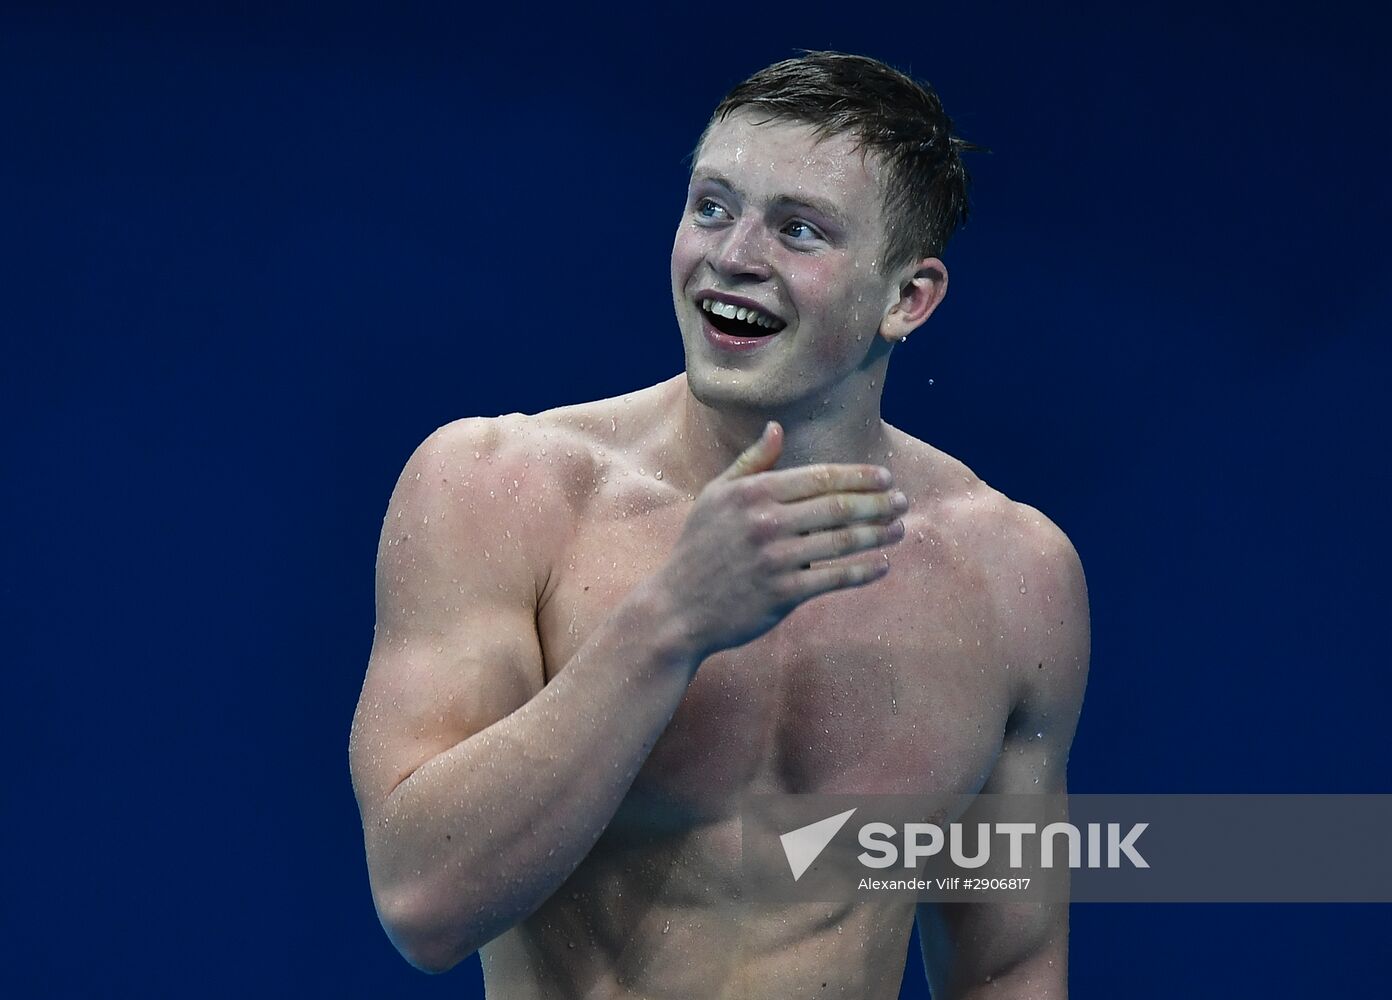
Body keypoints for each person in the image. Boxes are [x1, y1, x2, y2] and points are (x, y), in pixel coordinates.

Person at [348, 50, 1090, 999]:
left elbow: (1008, 966)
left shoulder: (1017, 577)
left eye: (798, 230)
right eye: (711, 206)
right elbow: (424, 904)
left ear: (907, 298)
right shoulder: (498, 489)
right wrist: (670, 624)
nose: (732, 256)